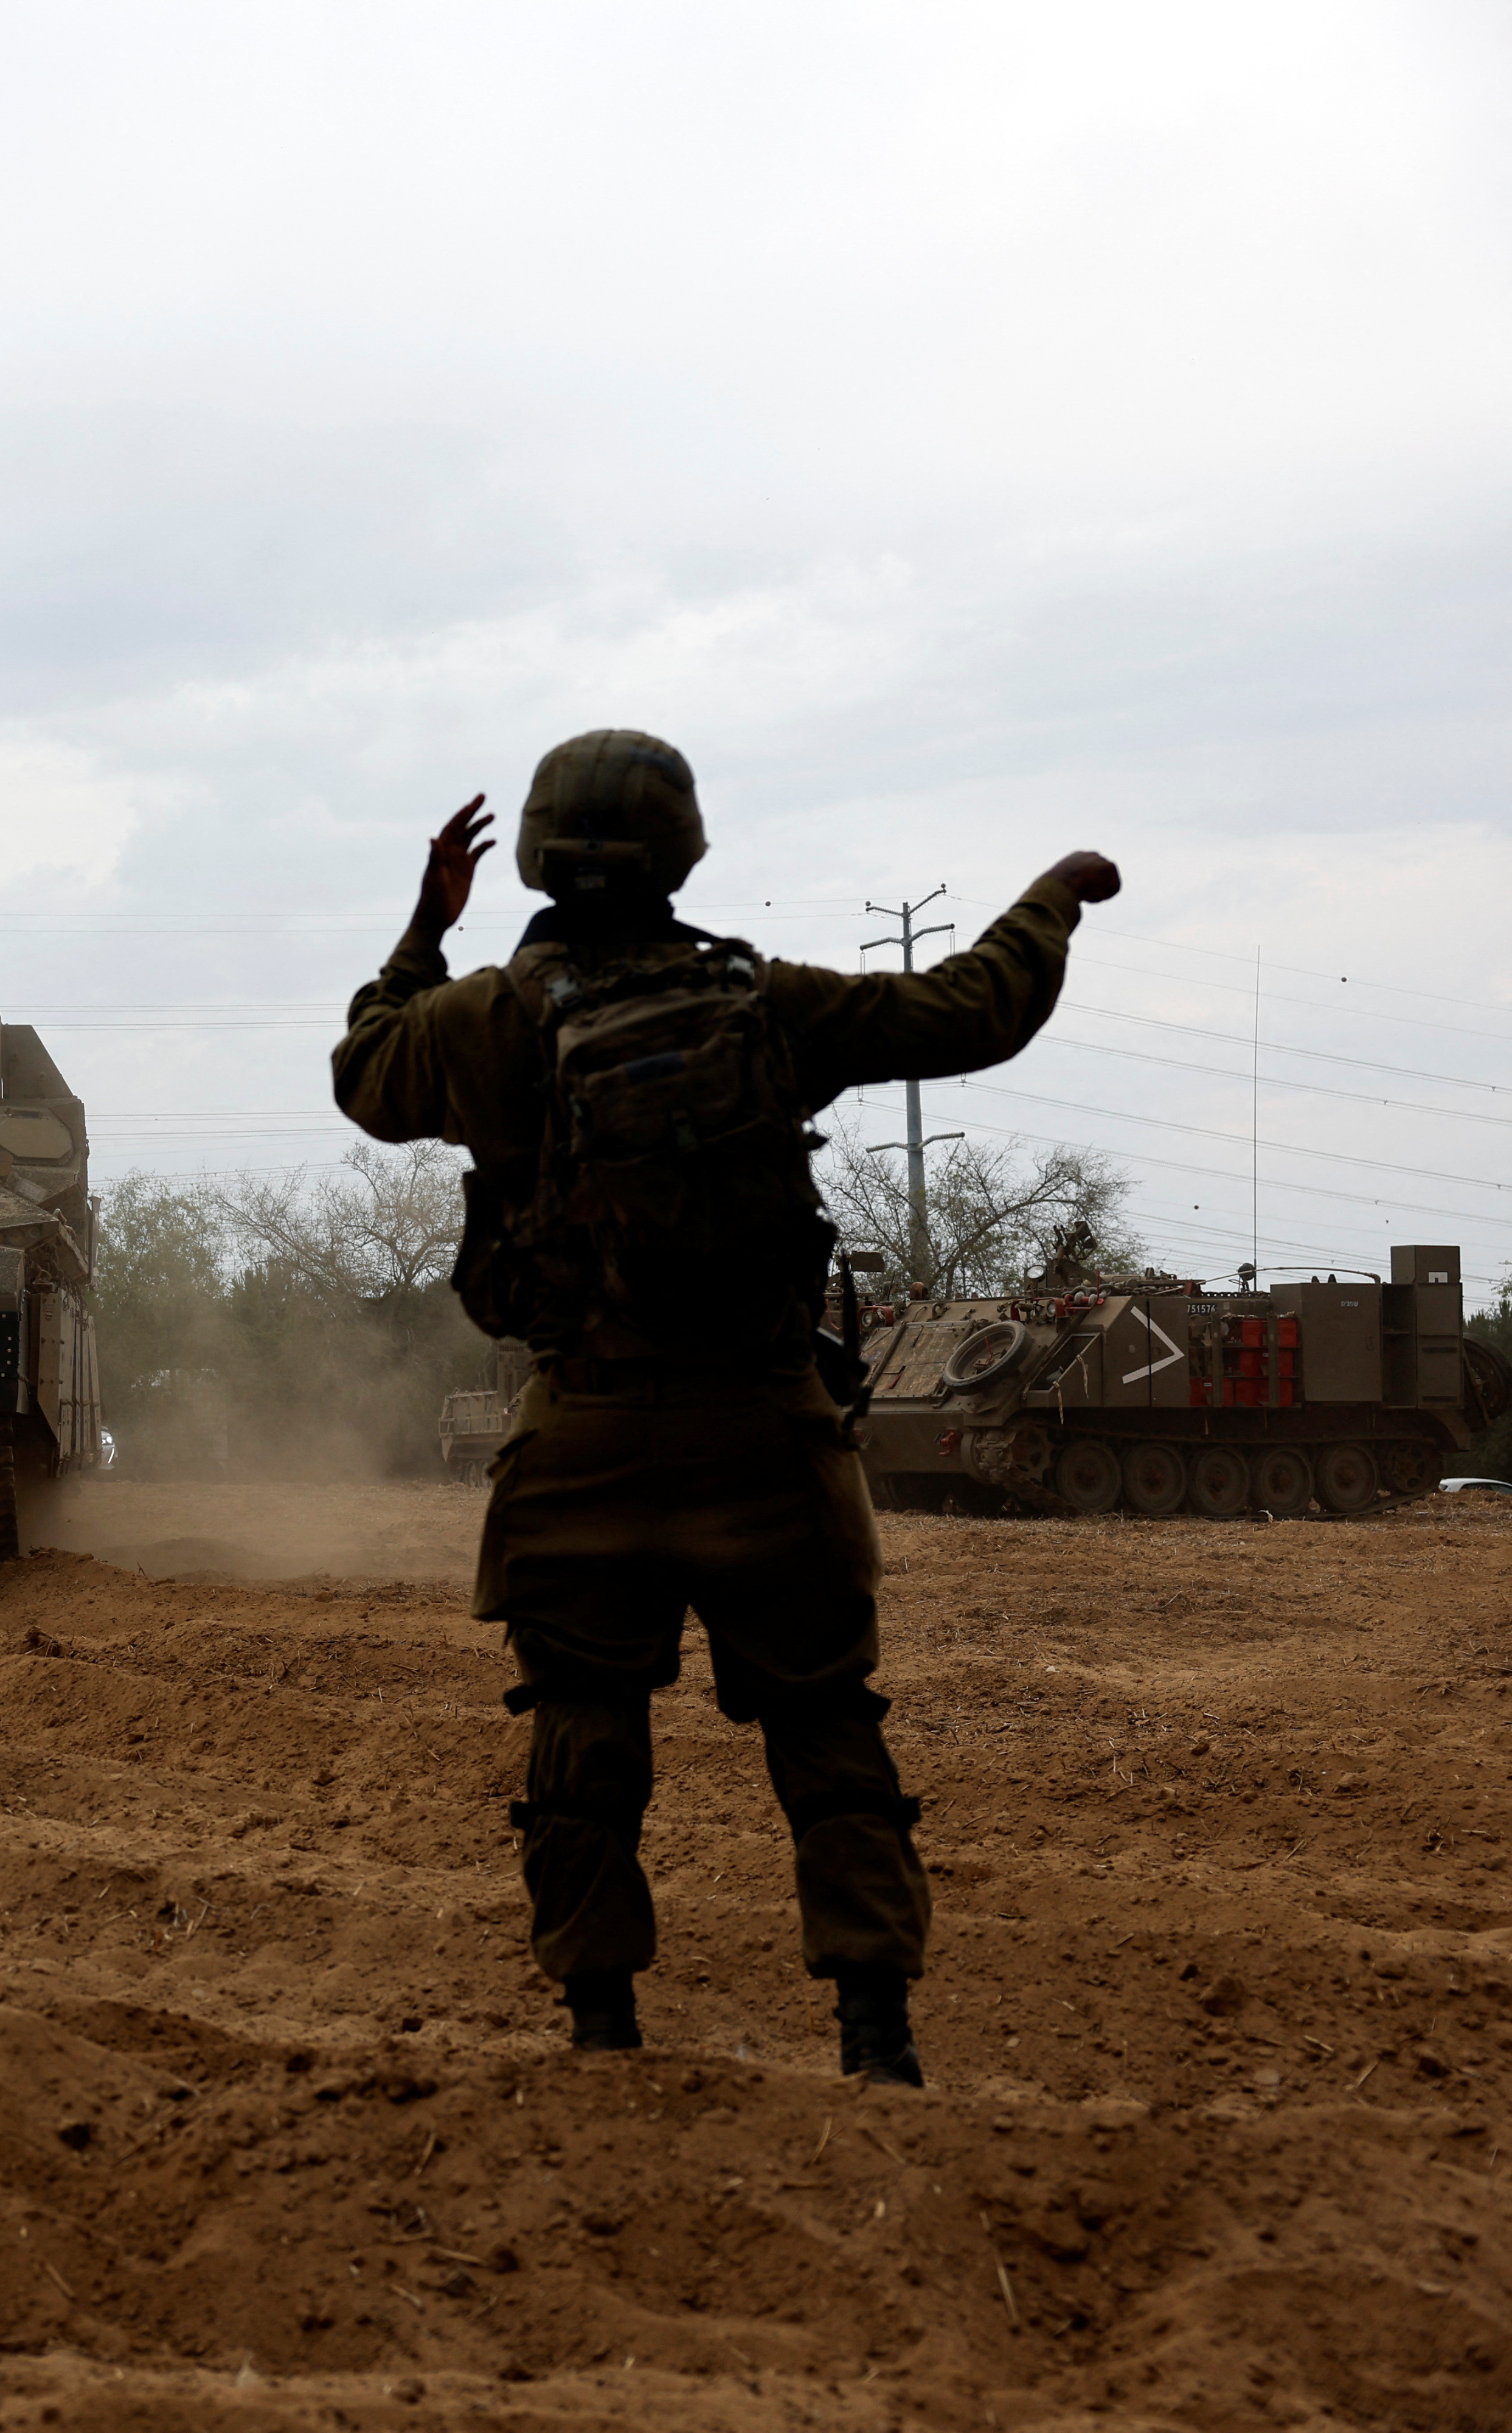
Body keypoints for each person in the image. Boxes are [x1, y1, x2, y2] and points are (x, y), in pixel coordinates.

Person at [331, 731, 1119, 2084]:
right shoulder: (764, 1004)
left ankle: (603, 2028)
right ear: (686, 850)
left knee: (583, 1735)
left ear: (530, 856)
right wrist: (1051, 894)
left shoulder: (486, 1025)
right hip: (766, 1429)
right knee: (826, 1724)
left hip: (582, 1436)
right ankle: (876, 2028)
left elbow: (364, 1072)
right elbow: (974, 1009)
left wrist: (424, 927)